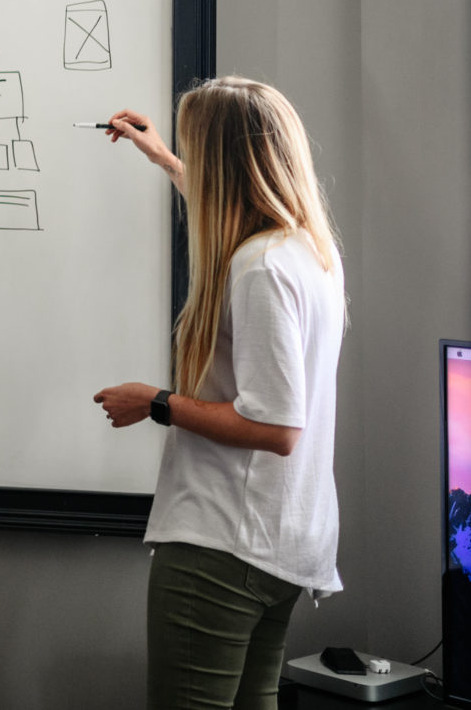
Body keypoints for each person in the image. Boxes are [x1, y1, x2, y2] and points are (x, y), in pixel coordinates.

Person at [93, 78, 346, 710]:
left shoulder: (258, 270)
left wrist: (155, 402)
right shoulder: (308, 250)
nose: (191, 162)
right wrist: (163, 160)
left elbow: (278, 428)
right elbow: (226, 208)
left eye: (195, 150)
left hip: (224, 546)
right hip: (279, 545)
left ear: (225, 163)